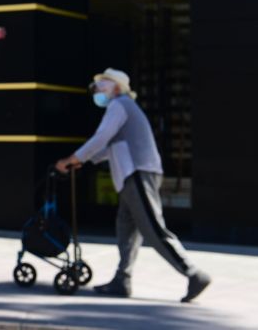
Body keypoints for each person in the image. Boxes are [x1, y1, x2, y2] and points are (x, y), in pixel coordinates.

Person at [55, 68, 211, 303]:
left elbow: (101, 137)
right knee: (125, 229)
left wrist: (73, 159)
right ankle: (122, 280)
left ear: (115, 87)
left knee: (152, 228)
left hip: (138, 174)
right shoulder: (124, 107)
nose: (96, 90)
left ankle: (193, 273)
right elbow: (113, 146)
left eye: (101, 85)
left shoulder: (120, 105)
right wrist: (85, 161)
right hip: (132, 176)